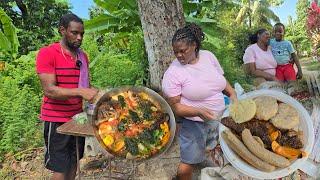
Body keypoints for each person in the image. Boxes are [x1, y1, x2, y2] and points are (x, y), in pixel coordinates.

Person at [161, 23, 237, 180]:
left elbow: (220, 79)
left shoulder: (208, 56)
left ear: (194, 45)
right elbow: (174, 107)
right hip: (194, 122)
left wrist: (232, 93)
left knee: (215, 148)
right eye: (176, 52)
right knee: (188, 162)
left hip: (220, 117)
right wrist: (198, 111)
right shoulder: (173, 73)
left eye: (183, 51)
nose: (179, 55)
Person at [36, 13, 98, 180]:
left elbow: (85, 87)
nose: (79, 37)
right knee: (60, 167)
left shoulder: (82, 56)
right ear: (62, 30)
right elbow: (49, 90)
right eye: (74, 33)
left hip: (77, 120)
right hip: (56, 120)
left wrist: (100, 94)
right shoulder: (47, 53)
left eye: (82, 34)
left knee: (74, 162)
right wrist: (80, 92)